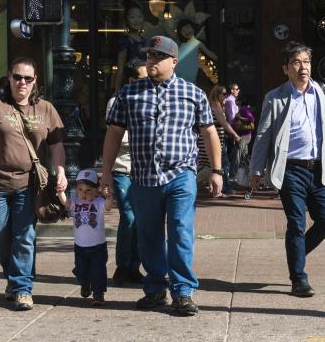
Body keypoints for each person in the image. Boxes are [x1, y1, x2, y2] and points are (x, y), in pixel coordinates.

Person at [101, 35, 223, 316]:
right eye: (149, 56)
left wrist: (216, 171)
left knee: (180, 230)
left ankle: (182, 291)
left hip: (181, 174)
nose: (151, 61)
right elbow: (114, 133)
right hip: (142, 177)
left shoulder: (193, 93)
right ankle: (156, 289)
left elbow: (208, 132)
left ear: (174, 61)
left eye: (158, 56)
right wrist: (106, 172)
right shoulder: (128, 94)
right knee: (149, 236)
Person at [0, 57, 67, 311]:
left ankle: (22, 288)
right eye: (17, 77)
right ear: (9, 78)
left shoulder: (46, 109)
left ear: (36, 82)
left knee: (24, 236)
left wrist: (61, 172)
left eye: (28, 78)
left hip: (29, 185)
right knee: (0, 235)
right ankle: (15, 278)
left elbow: (56, 145)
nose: (22, 82)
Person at [249, 41, 325, 297]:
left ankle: (296, 254)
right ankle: (299, 278)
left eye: (306, 62)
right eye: (296, 62)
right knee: (296, 223)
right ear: (286, 69)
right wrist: (256, 169)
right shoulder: (275, 97)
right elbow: (263, 135)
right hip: (291, 169)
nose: (303, 67)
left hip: (319, 169)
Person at [106, 61, 146, 286]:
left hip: (144, 169)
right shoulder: (117, 101)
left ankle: (135, 266)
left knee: (142, 219)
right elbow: (117, 136)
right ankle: (123, 266)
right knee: (129, 216)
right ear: (131, 81)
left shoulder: (150, 99)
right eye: (142, 78)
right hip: (123, 168)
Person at [57, 169, 113, 307]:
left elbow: (108, 207)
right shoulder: (75, 201)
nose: (84, 193)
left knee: (98, 271)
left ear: (96, 190)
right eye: (80, 189)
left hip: (98, 246)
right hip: (80, 246)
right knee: (81, 270)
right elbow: (65, 203)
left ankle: (98, 294)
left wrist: (109, 197)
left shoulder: (99, 202)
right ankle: (85, 283)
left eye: (88, 190)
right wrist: (60, 193)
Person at [196, 85, 240, 195]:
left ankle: (215, 188)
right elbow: (224, 123)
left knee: (211, 165)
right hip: (216, 142)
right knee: (223, 165)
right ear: (217, 94)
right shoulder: (215, 106)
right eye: (224, 94)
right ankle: (224, 188)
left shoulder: (213, 105)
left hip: (213, 140)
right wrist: (235, 135)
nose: (226, 96)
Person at [224, 83, 240, 182]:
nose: (238, 90)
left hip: (232, 131)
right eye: (236, 89)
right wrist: (234, 133)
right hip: (231, 131)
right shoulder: (229, 101)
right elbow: (231, 118)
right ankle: (230, 175)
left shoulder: (233, 101)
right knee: (231, 153)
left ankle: (232, 173)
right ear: (232, 90)